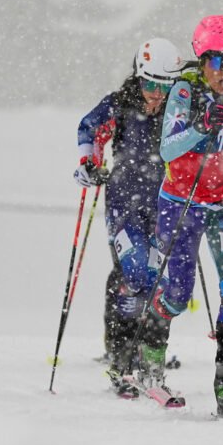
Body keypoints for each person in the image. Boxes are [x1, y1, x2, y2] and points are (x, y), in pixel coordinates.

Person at [138, 15, 223, 418]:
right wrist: (202, 123)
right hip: (181, 200)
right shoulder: (185, 91)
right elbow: (167, 149)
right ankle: (150, 362)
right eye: (218, 61)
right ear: (202, 61)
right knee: (178, 294)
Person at [74, 38, 183, 395]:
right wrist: (88, 163)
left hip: (163, 207)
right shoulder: (119, 105)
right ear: (137, 76)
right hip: (123, 205)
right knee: (133, 271)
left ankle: (148, 350)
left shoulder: (177, 110)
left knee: (155, 278)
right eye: (150, 84)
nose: (155, 94)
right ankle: (121, 355)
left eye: (164, 86)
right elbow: (88, 129)